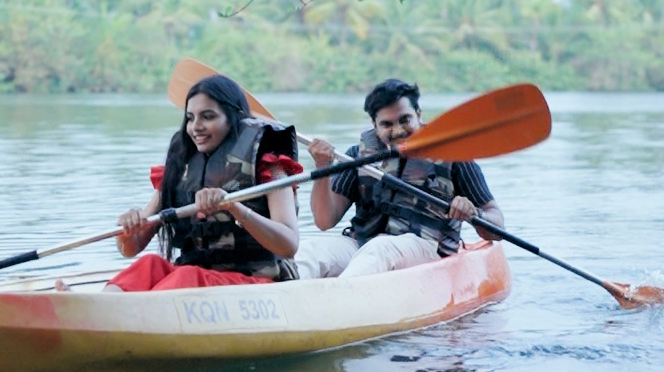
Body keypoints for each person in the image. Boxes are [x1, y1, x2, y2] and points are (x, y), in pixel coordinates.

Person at [296, 77, 505, 280]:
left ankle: (338, 297)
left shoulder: (454, 156)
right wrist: (323, 166)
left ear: (419, 115)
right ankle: (289, 294)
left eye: (405, 120)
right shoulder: (357, 156)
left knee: (380, 249)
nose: (398, 131)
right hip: (362, 243)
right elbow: (324, 221)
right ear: (374, 125)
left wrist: (474, 213)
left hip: (425, 248)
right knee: (310, 251)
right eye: (387, 124)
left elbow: (497, 225)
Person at [107, 73, 301, 291]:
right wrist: (127, 230)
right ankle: (106, 302)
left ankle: (136, 306)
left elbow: (289, 245)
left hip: (258, 281)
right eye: (190, 118)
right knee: (148, 265)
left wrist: (234, 207)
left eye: (207, 117)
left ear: (234, 118)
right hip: (196, 280)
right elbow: (131, 249)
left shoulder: (271, 166)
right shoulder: (180, 166)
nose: (195, 127)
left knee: (187, 275)